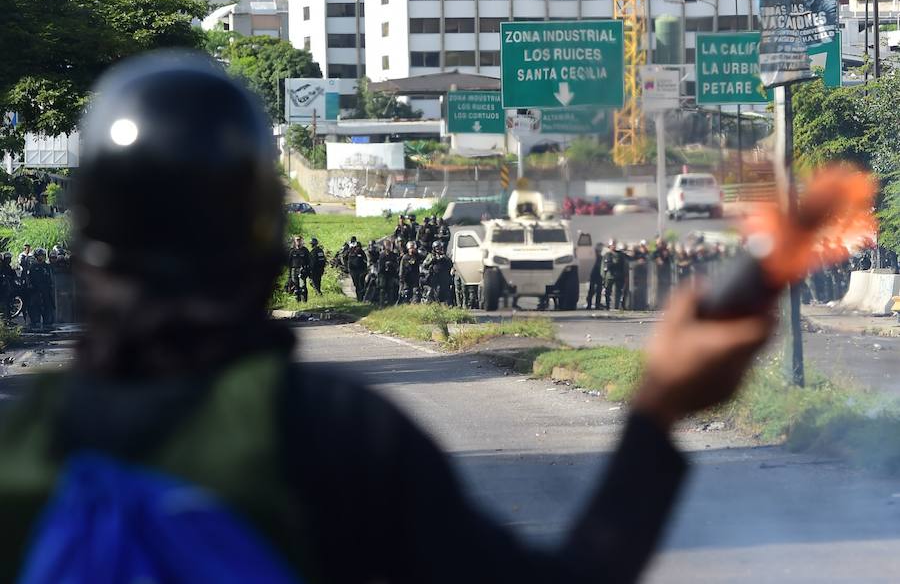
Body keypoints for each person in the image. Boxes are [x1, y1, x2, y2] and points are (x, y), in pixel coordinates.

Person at [0, 52, 778, 584]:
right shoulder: (331, 434)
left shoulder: (19, 451)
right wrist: (659, 407)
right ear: (263, 233)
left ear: (86, 238)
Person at [24, 247, 54, 330]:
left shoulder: (47, 266)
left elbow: (50, 277)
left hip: (45, 290)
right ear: (36, 256)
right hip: (35, 290)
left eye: (42, 255)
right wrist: (30, 286)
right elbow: (28, 278)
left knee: (47, 306)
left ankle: (47, 322)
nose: (41, 257)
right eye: (39, 255)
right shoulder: (33, 266)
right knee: (34, 307)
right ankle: (35, 321)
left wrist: (50, 286)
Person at [602, 240, 626, 311]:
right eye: (611, 245)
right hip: (610, 276)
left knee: (619, 291)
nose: (613, 247)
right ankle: (608, 305)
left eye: (614, 245)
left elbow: (623, 265)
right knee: (607, 291)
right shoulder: (607, 255)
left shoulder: (620, 255)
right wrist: (603, 276)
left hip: (618, 275)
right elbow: (604, 266)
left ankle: (617, 305)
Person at [377, 238, 400, 307]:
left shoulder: (393, 255)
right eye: (387, 245)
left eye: (389, 245)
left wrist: (391, 264)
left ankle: (390, 304)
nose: (388, 247)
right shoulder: (382, 255)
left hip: (391, 274)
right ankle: (381, 304)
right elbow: (380, 266)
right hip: (383, 274)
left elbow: (396, 265)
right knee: (382, 289)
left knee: (390, 289)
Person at [651, 238, 672, 309]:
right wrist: (656, 260)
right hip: (656, 274)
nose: (661, 245)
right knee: (657, 290)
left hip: (666, 274)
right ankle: (656, 305)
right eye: (659, 243)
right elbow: (651, 258)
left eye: (662, 243)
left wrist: (667, 255)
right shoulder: (655, 252)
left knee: (666, 290)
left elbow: (672, 260)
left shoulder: (667, 252)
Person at [287, 236, 310, 303]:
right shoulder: (292, 251)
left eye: (299, 240)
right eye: (297, 240)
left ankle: (304, 301)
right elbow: (289, 263)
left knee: (303, 286)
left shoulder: (305, 250)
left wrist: (307, 270)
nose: (298, 241)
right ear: (295, 241)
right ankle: (297, 301)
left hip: (302, 270)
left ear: (302, 241)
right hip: (294, 270)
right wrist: (289, 275)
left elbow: (309, 261)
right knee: (295, 286)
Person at [586, 243, 604, 310]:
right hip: (594, 274)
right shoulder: (594, 256)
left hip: (597, 275)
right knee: (593, 291)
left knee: (596, 291)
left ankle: (594, 305)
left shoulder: (599, 256)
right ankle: (592, 305)